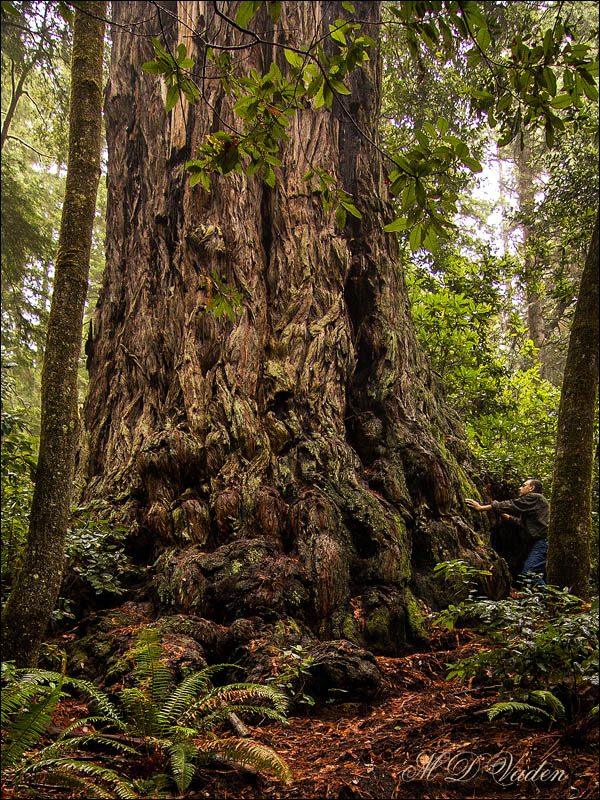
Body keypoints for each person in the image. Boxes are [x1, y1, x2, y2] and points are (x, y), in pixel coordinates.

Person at [466, 479, 549, 586]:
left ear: (531, 488)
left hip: (542, 542)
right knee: (533, 574)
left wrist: (482, 508)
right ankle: (546, 598)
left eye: (523, 485)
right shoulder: (536, 504)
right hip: (538, 543)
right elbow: (521, 523)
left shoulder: (536, 497)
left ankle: (549, 600)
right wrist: (501, 513)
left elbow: (513, 504)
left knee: (530, 574)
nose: (520, 488)